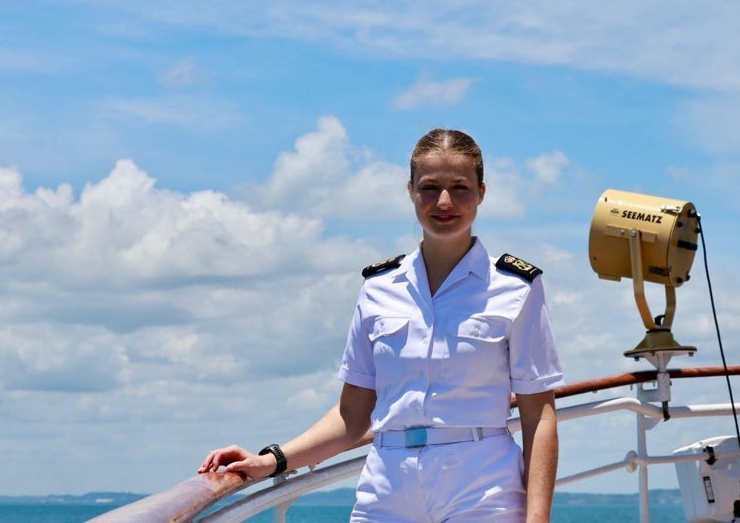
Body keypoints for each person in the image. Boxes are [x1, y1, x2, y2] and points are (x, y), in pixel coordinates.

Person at [199, 128, 562, 523]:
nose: (444, 201)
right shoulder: (378, 288)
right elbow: (353, 413)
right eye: (430, 187)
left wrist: (536, 519)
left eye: (459, 187)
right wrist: (273, 460)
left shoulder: (516, 288)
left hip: (480, 486)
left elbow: (538, 416)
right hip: (387, 488)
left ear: (482, 193)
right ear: (410, 192)